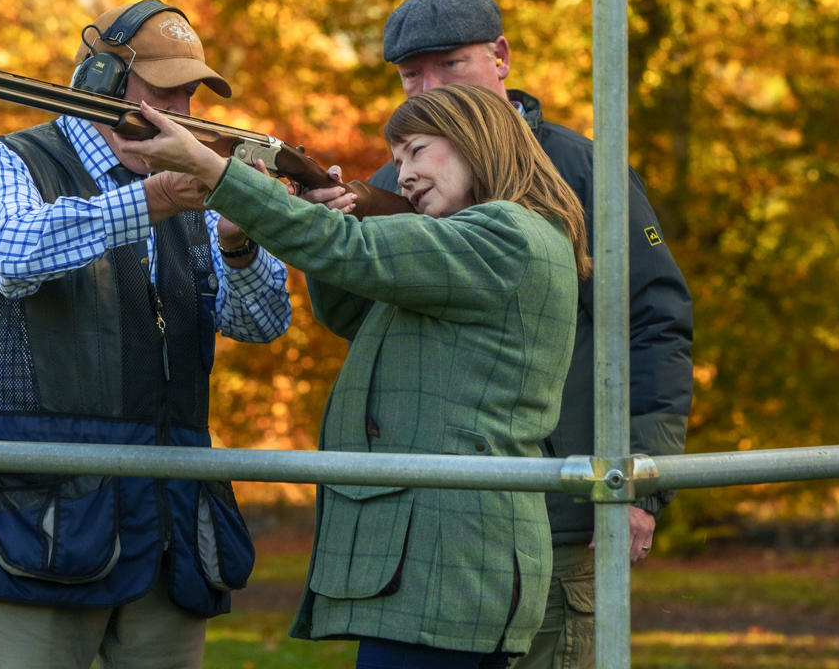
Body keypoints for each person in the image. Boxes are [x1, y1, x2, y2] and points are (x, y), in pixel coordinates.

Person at [118, 83, 591, 668]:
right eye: (397, 160)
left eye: (417, 150)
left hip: (445, 556)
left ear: (477, 140)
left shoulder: (501, 234)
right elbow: (348, 308)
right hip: (441, 556)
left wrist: (217, 175)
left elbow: (350, 252)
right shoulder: (483, 239)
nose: (404, 175)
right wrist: (316, 213)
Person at [311, 0, 694, 669]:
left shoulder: (582, 169)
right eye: (411, 76)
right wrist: (333, 228)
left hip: (561, 513)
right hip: (434, 532)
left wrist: (640, 477)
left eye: (449, 65)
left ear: (501, 57)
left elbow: (653, 323)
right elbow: (352, 317)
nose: (429, 86)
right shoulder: (397, 178)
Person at [0, 0, 292, 669]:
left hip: (171, 529)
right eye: (164, 90)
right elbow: (11, 256)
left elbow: (261, 323)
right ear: (101, 84)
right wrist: (152, 200)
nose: (183, 107)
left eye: (190, 90)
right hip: (42, 521)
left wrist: (242, 242)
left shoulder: (205, 182)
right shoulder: (7, 160)